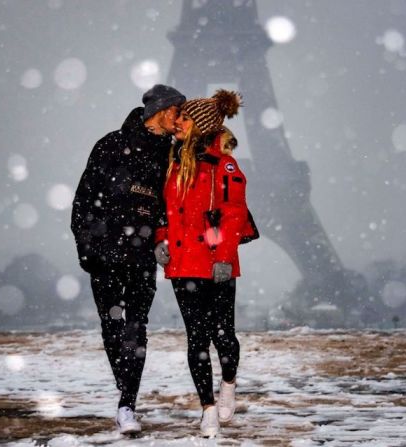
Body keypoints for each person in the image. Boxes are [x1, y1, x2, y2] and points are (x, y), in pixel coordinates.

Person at [70, 84, 185, 434]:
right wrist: (88, 248)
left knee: (136, 330)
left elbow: (173, 205)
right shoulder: (110, 146)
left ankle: (126, 404)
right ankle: (126, 392)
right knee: (113, 328)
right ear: (163, 111)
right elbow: (83, 200)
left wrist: (162, 242)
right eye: (178, 112)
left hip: (141, 256)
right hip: (105, 254)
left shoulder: (174, 155)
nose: (181, 120)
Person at [154, 90, 256, 437]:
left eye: (185, 117)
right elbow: (164, 210)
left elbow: (234, 213)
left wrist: (225, 258)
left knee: (223, 335)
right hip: (183, 264)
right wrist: (161, 240)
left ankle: (228, 382)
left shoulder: (225, 165)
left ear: (201, 124)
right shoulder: (175, 162)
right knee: (196, 338)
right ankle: (207, 408)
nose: (177, 122)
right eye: (178, 116)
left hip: (215, 263)